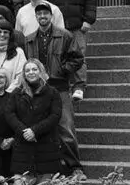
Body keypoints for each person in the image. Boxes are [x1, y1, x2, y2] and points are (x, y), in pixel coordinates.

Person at [23, 9, 84, 172]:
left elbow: (77, 58)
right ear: (35, 17)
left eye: (46, 14)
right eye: (39, 14)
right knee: (39, 129)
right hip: (38, 89)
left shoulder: (65, 35)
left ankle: (75, 166)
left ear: (51, 16)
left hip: (60, 87)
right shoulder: (29, 39)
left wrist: (63, 70)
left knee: (66, 128)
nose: (42, 17)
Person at [43, 0, 97, 102]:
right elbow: (45, 2)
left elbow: (91, 0)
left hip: (77, 25)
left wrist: (88, 20)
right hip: (58, 26)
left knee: (79, 56)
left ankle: (79, 86)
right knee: (57, 57)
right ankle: (62, 85)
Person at [5, 60, 63, 185]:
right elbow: (9, 114)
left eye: (34, 69)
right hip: (23, 149)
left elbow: (55, 116)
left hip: (46, 148)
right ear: (24, 74)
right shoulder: (17, 93)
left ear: (41, 71)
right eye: (27, 70)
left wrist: (35, 131)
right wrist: (23, 131)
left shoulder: (52, 92)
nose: (31, 72)